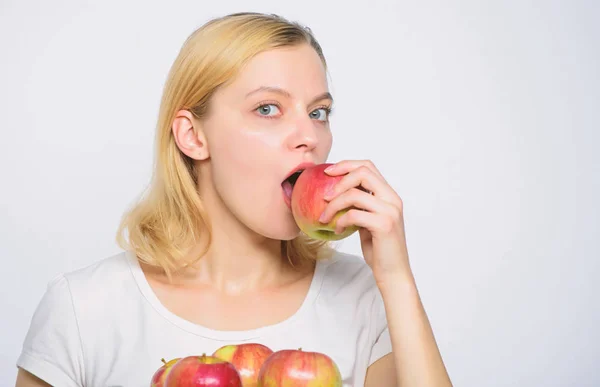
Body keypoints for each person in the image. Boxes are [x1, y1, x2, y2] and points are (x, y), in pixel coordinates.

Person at [15, 12, 452, 387]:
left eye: (318, 113)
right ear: (193, 135)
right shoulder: (85, 308)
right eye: (268, 109)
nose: (309, 137)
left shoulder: (363, 298)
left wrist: (396, 279)